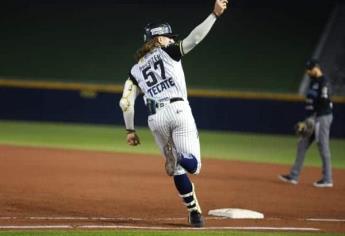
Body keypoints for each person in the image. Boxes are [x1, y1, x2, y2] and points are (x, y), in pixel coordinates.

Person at [119, 0, 228, 227]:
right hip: (178, 109)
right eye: (168, 36)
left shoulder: (135, 69)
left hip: (155, 119)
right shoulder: (168, 51)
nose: (172, 39)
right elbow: (194, 39)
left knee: (177, 170)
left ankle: (195, 213)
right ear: (159, 39)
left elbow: (125, 102)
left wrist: (130, 130)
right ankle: (178, 158)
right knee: (193, 166)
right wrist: (214, 15)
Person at [279, 59, 334, 188]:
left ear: (315, 68)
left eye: (309, 69)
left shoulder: (323, 81)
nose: (308, 72)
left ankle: (327, 179)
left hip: (322, 117)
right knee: (302, 144)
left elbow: (325, 102)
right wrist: (308, 120)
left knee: (322, 145)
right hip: (313, 118)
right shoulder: (313, 82)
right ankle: (294, 176)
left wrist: (313, 120)